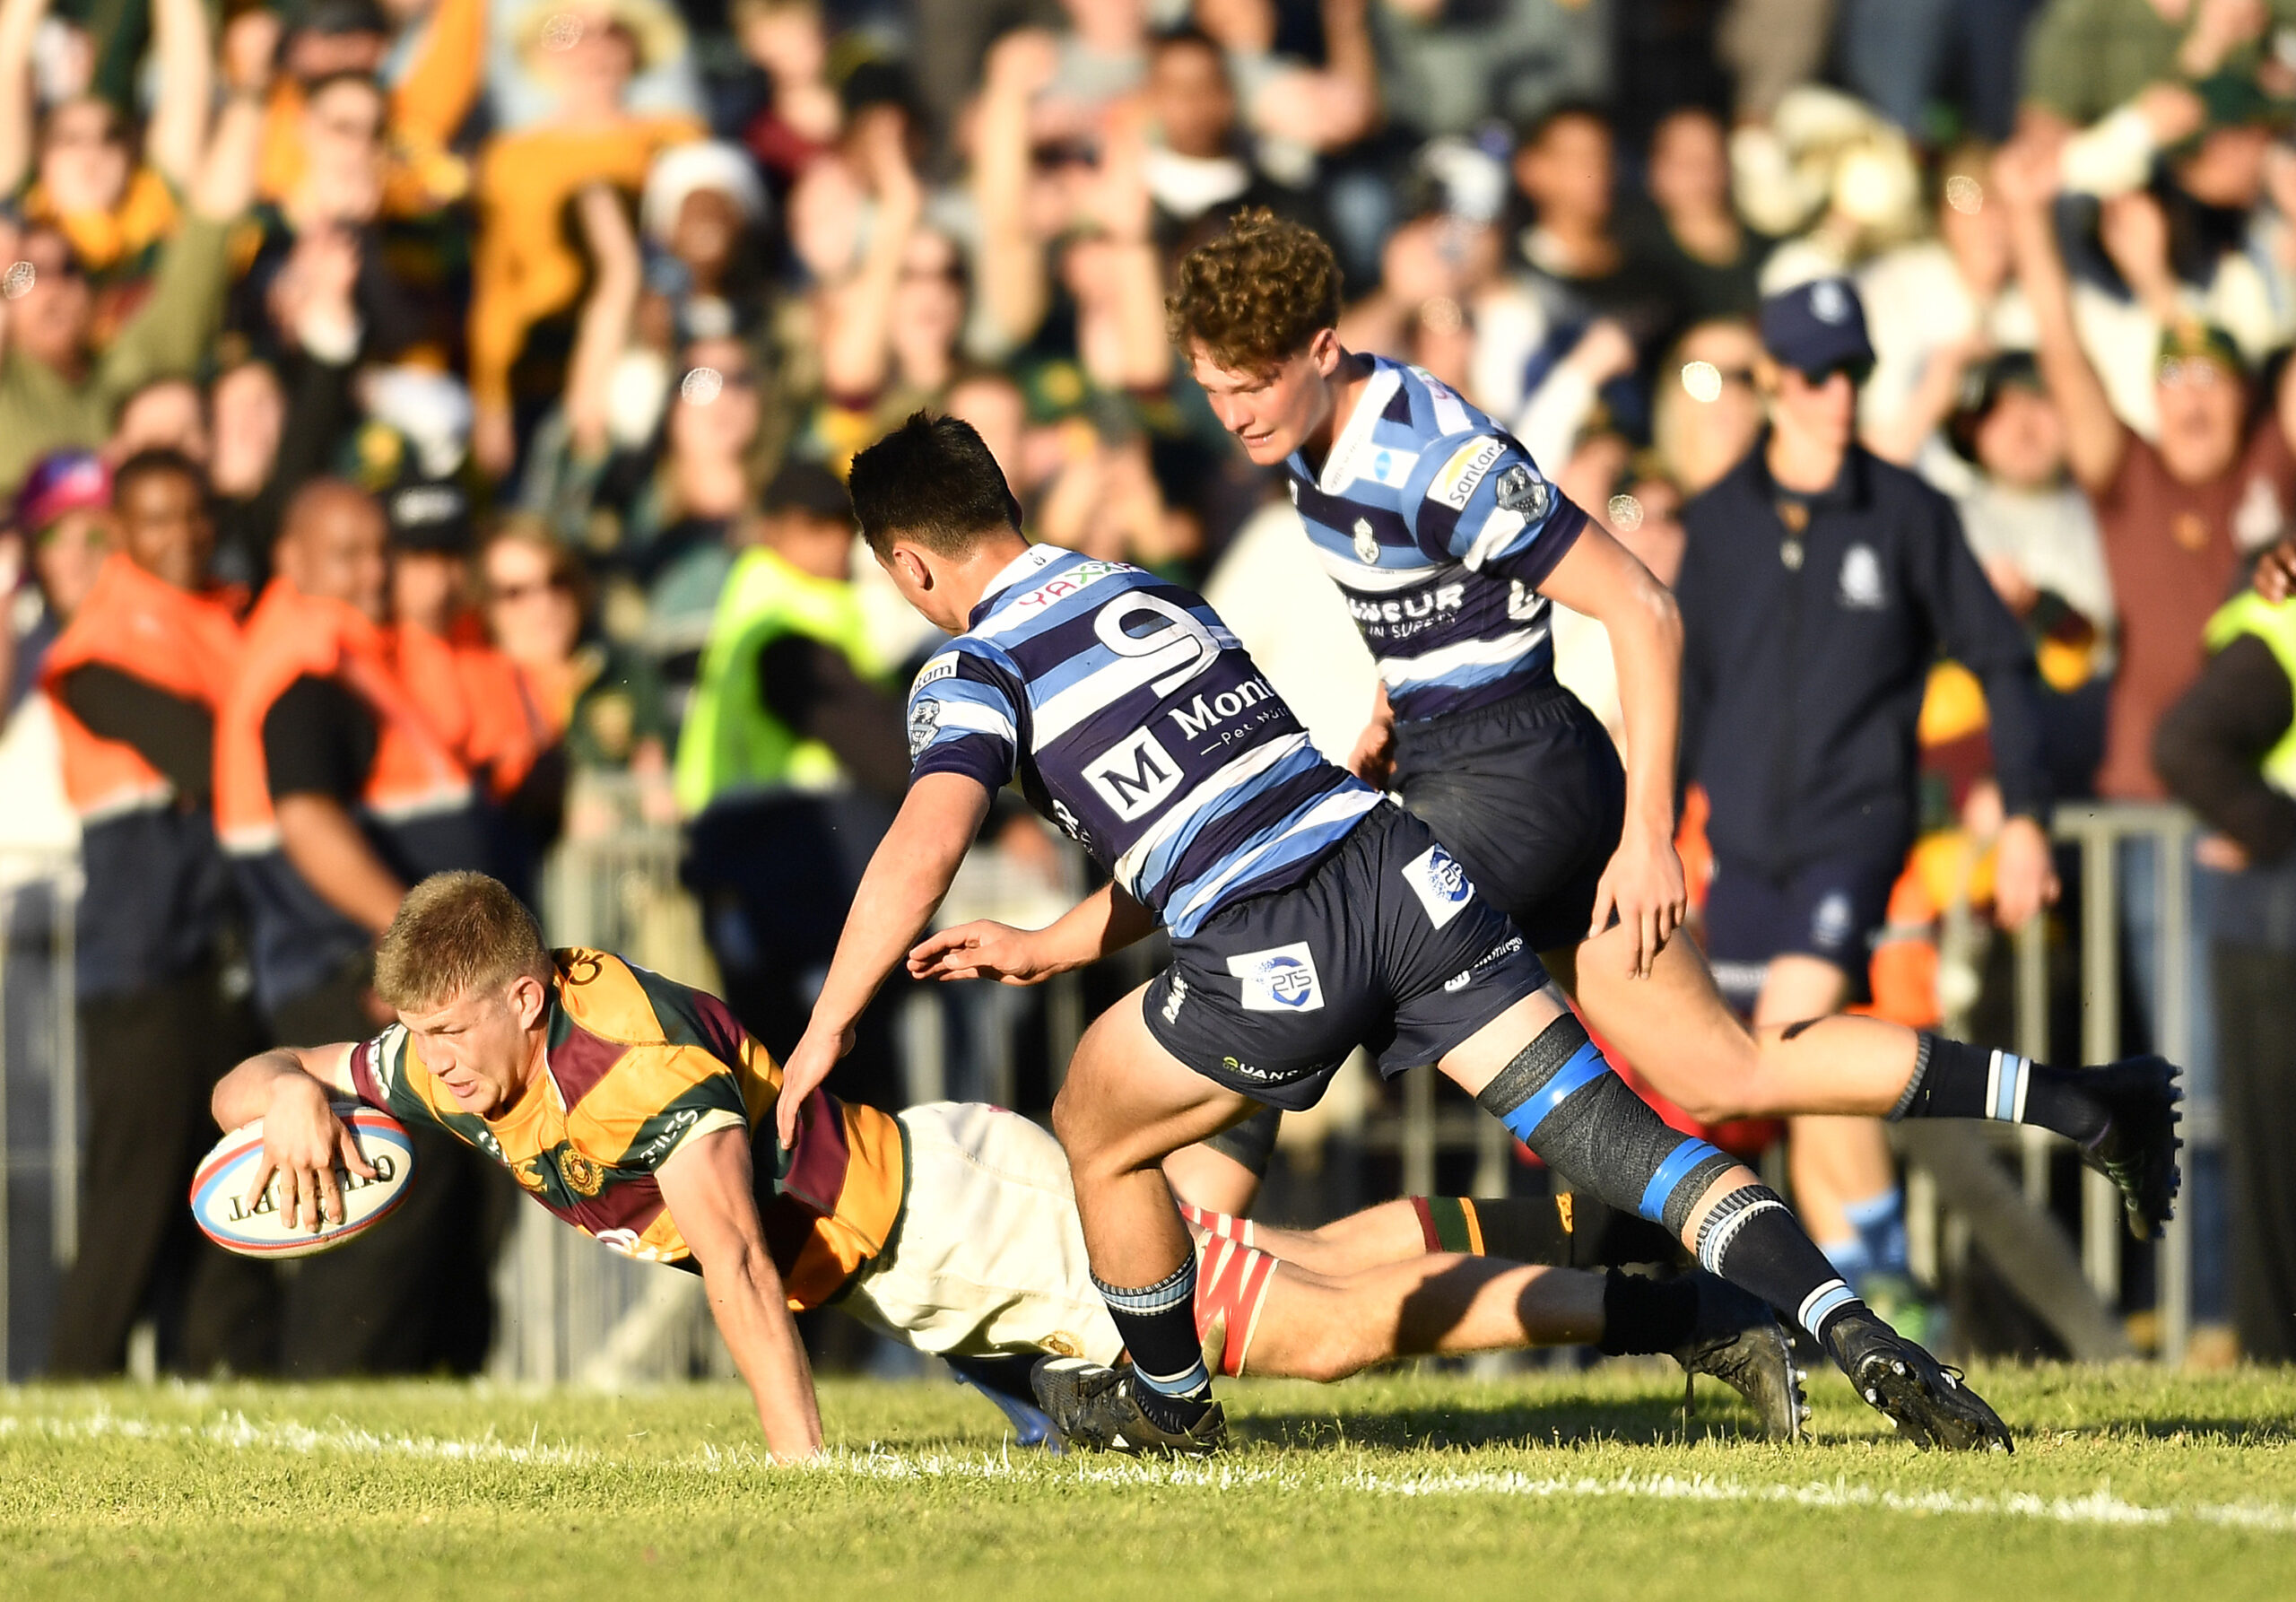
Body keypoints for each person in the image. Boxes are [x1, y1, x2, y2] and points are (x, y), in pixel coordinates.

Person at [781, 411, 2012, 1458]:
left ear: (908, 565)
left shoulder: (972, 662)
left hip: (1276, 947)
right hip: (1402, 870)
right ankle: (1857, 1330)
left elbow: (924, 841)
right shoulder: (1140, 592)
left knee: (1096, 1134)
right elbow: (1219, 803)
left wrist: (827, 1025)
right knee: (1627, 1141)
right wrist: (1060, 940)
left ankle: (1167, 1407)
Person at [1158, 213, 2174, 1254]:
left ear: (1322, 350)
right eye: (1211, 389)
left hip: (1529, 780)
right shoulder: (1306, 440)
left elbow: (1643, 608)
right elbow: (1444, 602)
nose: (1232, 415)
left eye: (1250, 384)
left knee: (1290, 971)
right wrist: (1395, 702)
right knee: (1726, 1069)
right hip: (1487, 770)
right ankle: (2089, 1104)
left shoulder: (1426, 454)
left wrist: (1649, 839)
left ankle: (1164, 1300)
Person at [216, 871, 1814, 1455]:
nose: (427, 1069)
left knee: (1314, 1326)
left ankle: (1700, 1316)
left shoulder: (622, 1071)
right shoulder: (469, 1054)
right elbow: (257, 1079)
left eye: (443, 1038)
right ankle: (1609, 1219)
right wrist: (290, 1094)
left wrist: (798, 1477)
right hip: (941, 1243)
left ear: (516, 995)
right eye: (407, 1044)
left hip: (966, 1232)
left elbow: (748, 1281)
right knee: (1310, 1271)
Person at [1674, 276, 2066, 1302]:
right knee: (1797, 1091)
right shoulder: (1716, 523)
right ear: (1769, 381)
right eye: (1813, 373)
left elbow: (2002, 659)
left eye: (1852, 371)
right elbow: (1689, 688)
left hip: (1855, 837)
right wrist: (1651, 835)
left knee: (1789, 1046)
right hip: (1744, 851)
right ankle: (1868, 1292)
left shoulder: (1908, 512)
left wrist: (2025, 815)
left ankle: (1883, 1279)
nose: (1836, 394)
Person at [212, 477, 503, 1376]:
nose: (375, 570)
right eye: (350, 554)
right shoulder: (305, 672)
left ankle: (431, 1384)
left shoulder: (351, 656)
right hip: (342, 972)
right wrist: (409, 947)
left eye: (382, 549)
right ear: (291, 563)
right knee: (380, 1197)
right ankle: (337, 1395)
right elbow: (308, 823)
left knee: (449, 1188)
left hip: (365, 966)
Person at [38, 449, 274, 1375]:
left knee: (219, 1201)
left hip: (213, 953)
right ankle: (70, 1386)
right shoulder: (93, 649)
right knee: (130, 1208)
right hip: (141, 966)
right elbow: (211, 753)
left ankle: (201, 1377)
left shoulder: (218, 614)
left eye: (195, 515)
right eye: (157, 519)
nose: (183, 536)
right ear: (120, 535)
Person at [675, 459, 909, 1096]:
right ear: (774, 531)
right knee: (832, 1093)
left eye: (843, 524)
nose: (838, 540)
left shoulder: (783, 611)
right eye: (817, 525)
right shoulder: (782, 628)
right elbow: (887, 752)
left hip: (776, 867)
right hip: (785, 873)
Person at [2154, 571, 2296, 1362]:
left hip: (2271, 931)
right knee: (2276, 1188)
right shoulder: (2280, 621)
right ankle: (2277, 1366)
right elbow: (2185, 745)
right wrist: (2281, 832)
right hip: (2276, 940)